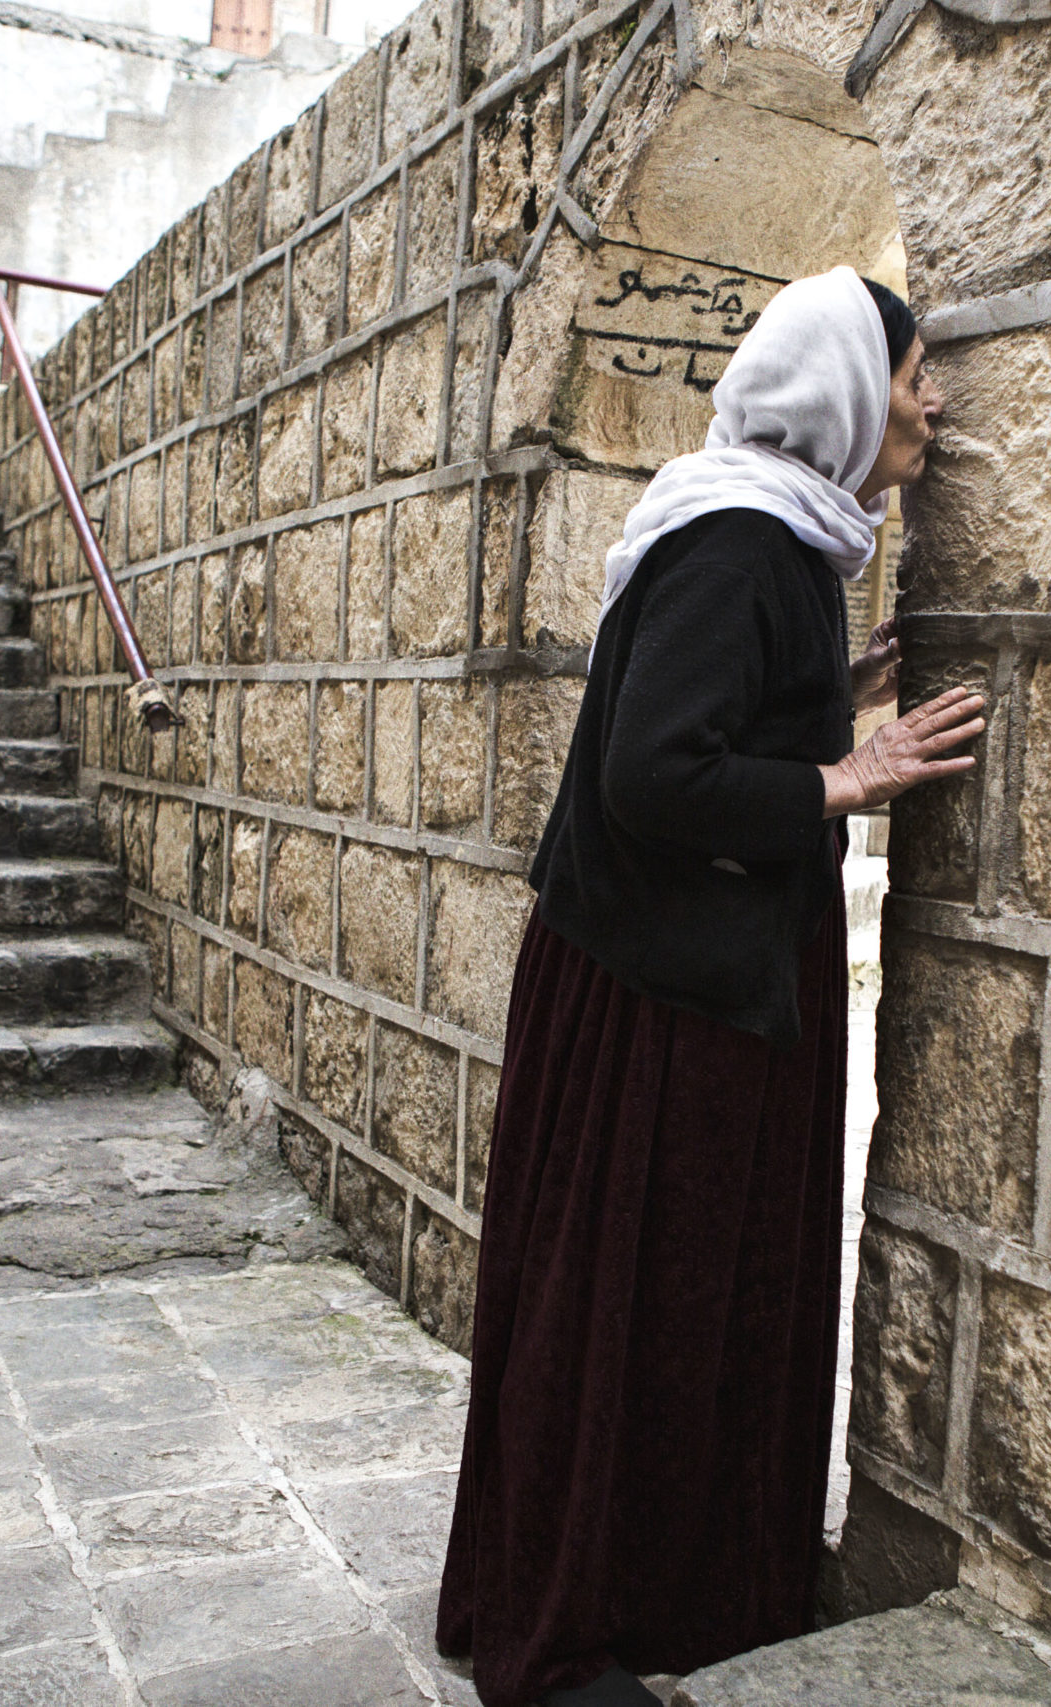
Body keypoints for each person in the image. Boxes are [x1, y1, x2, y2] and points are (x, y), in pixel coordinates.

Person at [435, 266, 979, 1707]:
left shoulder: (782, 538)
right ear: (851, 394)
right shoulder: (741, 539)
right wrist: (842, 772)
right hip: (657, 1008)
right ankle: (575, 1628)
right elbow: (652, 773)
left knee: (671, 1311)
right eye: (918, 376)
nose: (933, 406)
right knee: (628, 1311)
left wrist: (833, 696)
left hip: (692, 988)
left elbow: (710, 707)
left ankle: (668, 1590)